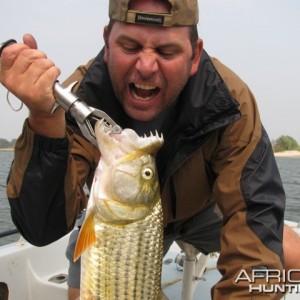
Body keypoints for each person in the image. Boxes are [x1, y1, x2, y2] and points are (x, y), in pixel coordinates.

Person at [0, 0, 299, 299]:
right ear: (106, 43)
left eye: (167, 51)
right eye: (129, 47)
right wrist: (43, 119)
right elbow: (40, 228)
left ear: (194, 55)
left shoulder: (230, 104)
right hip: (111, 221)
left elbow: (254, 213)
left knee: (289, 254)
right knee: (82, 293)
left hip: (203, 213)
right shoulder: (82, 96)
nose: (145, 66)